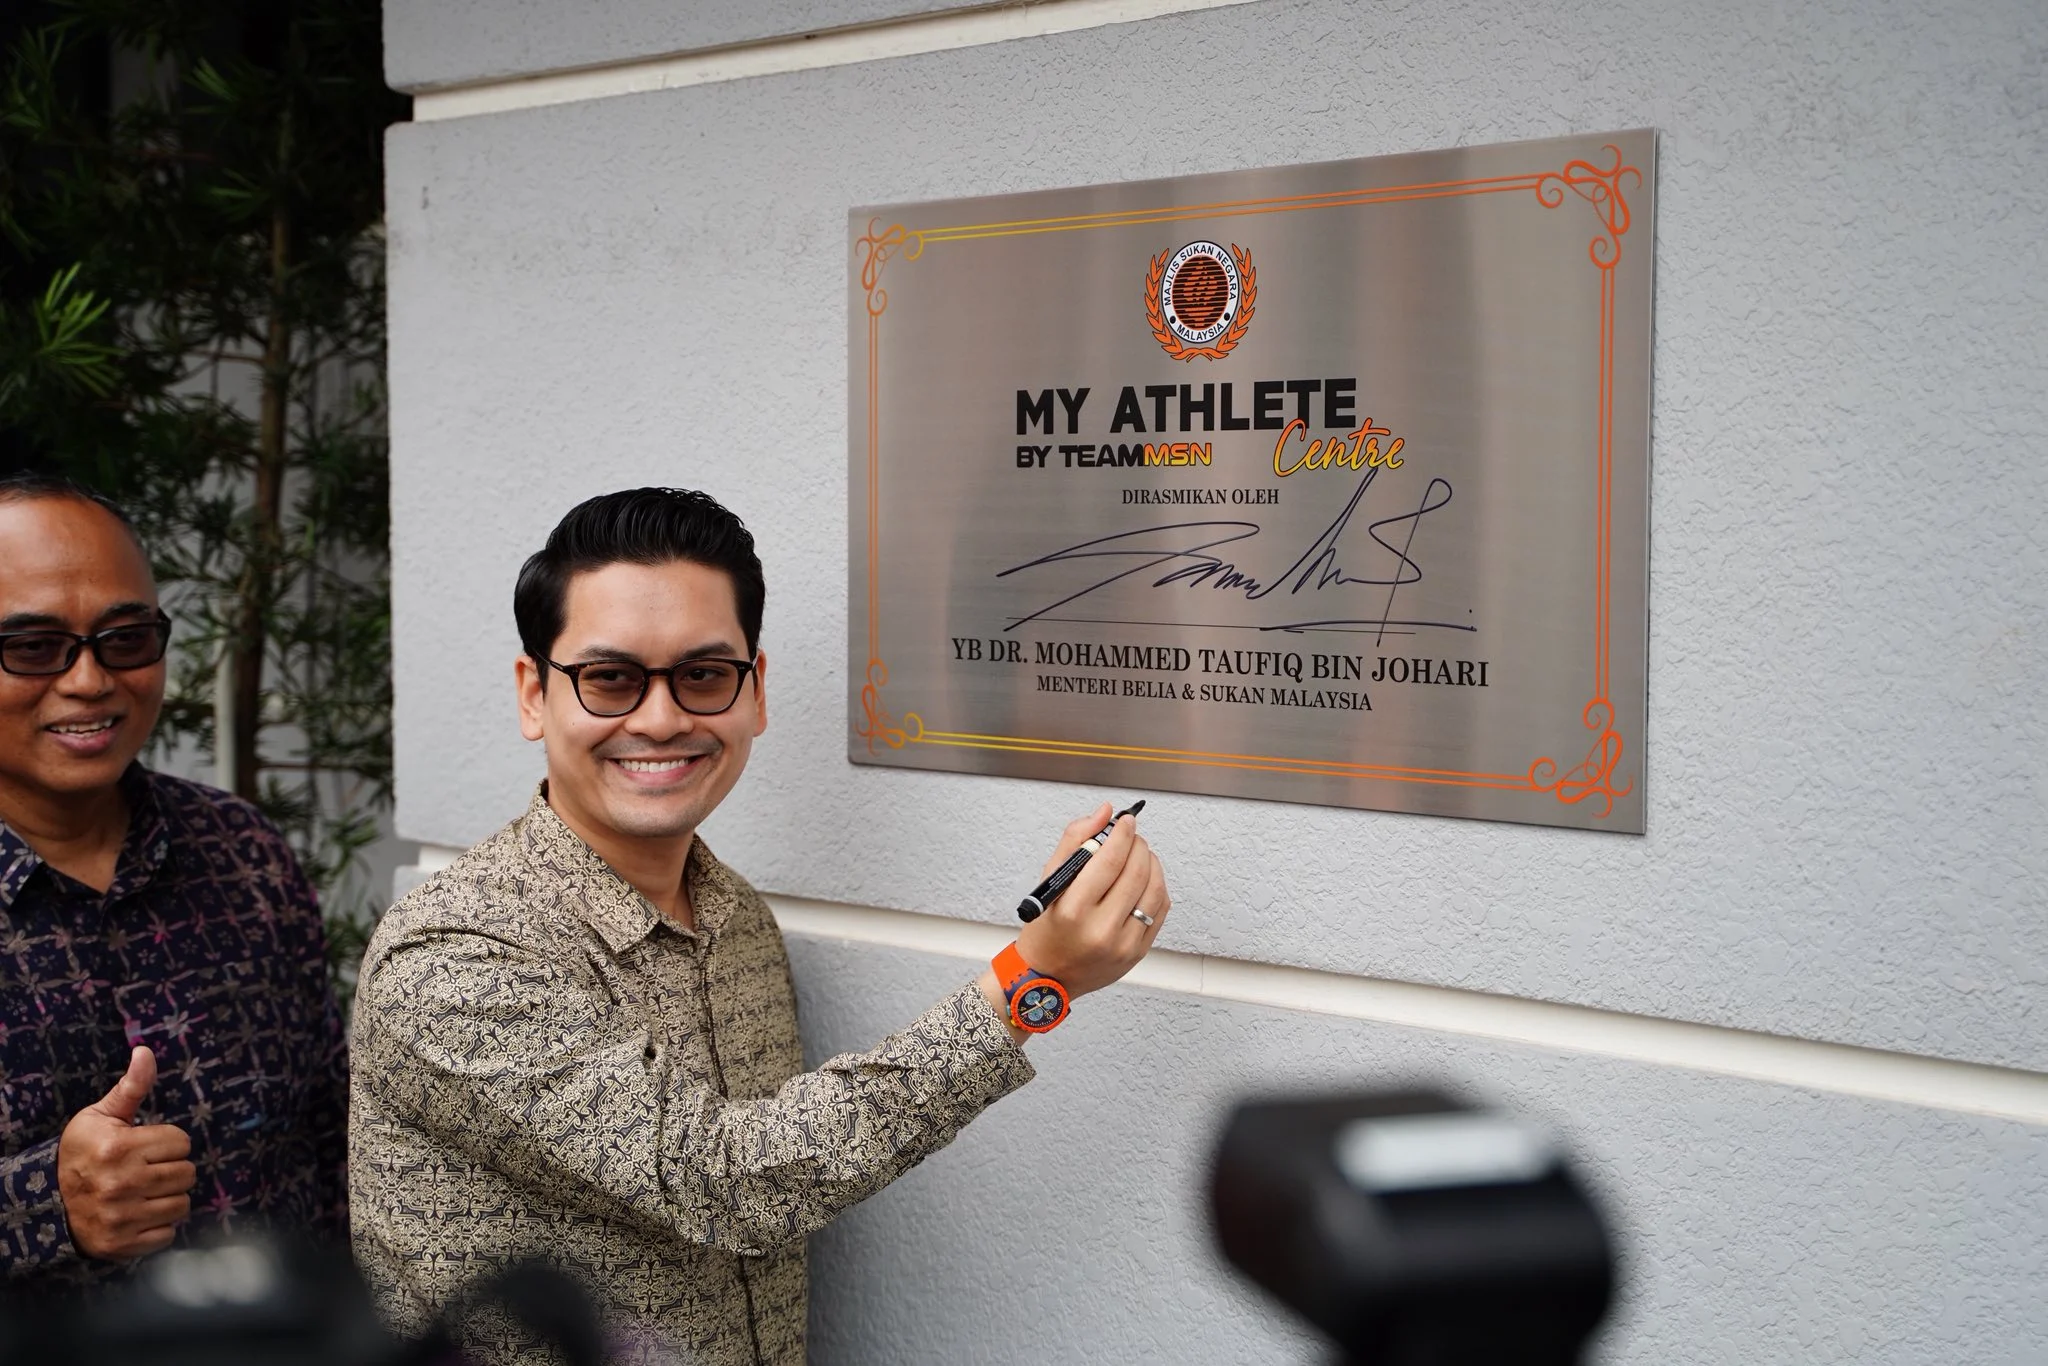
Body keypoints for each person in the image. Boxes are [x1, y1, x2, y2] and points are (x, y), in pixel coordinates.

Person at [350, 487, 1170, 1364]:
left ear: (755, 692)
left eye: (703, 675)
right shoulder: (452, 951)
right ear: (533, 695)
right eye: (610, 679)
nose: (661, 718)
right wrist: (1029, 983)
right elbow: (729, 1184)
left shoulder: (738, 918)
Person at [0, 473, 348, 1285]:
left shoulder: (241, 849)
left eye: (124, 639)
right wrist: (44, 1206)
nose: (89, 680)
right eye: (33, 647)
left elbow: (330, 1137)